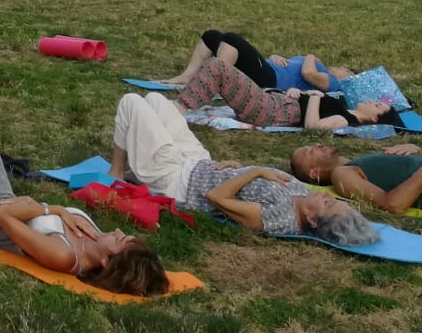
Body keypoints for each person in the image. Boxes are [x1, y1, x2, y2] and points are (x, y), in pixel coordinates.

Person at [0, 110, 169, 296]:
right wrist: (35, 205)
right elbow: (19, 208)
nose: (117, 232)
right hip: (4, 198)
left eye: (119, 240)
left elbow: (4, 218)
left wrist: (50, 208)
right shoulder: (95, 238)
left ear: (105, 263)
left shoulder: (64, 256)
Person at [110, 91, 379, 244]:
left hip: (178, 180)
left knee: (131, 102)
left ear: (311, 220)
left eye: (328, 204)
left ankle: (117, 174)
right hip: (201, 163)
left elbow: (215, 198)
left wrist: (253, 172)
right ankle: (134, 169)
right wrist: (238, 168)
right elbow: (245, 183)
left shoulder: (280, 219)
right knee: (156, 100)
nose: (325, 196)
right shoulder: (302, 193)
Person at [174, 57, 399, 131]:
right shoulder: (342, 107)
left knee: (218, 68)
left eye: (378, 106)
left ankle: (179, 109)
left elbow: (312, 126)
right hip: (277, 101)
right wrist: (298, 92)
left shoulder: (345, 119)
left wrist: (313, 97)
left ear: (373, 119)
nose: (372, 102)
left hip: (273, 112)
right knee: (219, 68)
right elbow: (309, 101)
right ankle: (181, 106)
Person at [161, 29, 353, 92]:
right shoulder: (315, 65)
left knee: (231, 39)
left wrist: (310, 56)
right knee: (212, 36)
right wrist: (275, 57)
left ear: (348, 78)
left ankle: (212, 80)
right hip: (267, 69)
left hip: (270, 81)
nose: (342, 68)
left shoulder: (333, 82)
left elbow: (307, 73)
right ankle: (188, 76)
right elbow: (289, 66)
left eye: (347, 70)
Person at [291, 142, 422, 215]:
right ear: (314, 173)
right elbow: (392, 205)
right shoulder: (341, 174)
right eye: (310, 151)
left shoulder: (359, 163)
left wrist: (416, 149)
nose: (317, 144)